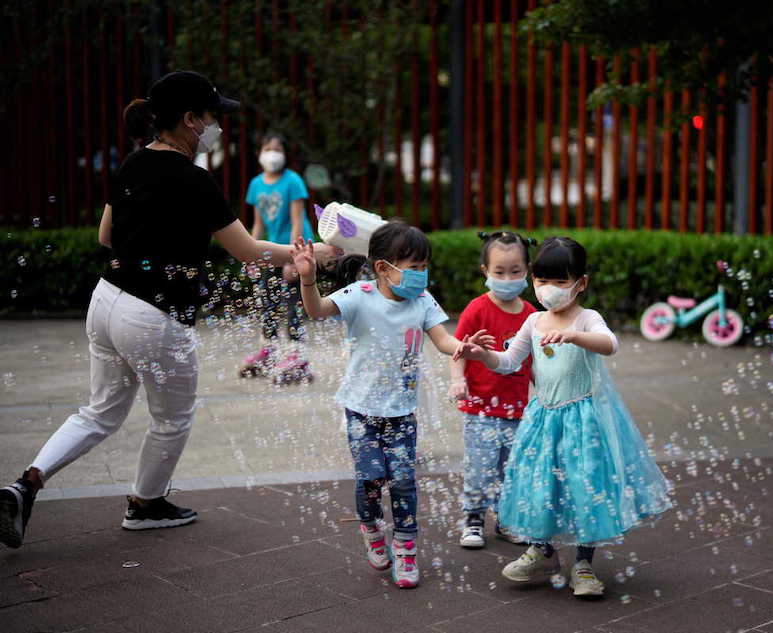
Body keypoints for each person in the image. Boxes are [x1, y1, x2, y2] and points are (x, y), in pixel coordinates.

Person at [0, 70, 338, 549]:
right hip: (153, 317)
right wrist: (314, 256)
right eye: (211, 117)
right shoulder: (195, 179)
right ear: (189, 121)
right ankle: (145, 504)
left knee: (98, 411)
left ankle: (24, 485)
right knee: (172, 418)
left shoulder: (132, 164)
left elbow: (104, 236)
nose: (217, 126)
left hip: (105, 302)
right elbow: (245, 250)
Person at [456, 237, 673, 598]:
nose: (549, 290)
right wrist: (483, 356)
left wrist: (575, 336)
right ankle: (542, 550)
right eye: (541, 281)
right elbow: (510, 363)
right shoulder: (534, 320)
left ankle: (584, 564)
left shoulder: (588, 319)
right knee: (540, 482)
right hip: (544, 416)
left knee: (584, 486)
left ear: (580, 283)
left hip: (584, 419)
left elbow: (610, 343)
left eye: (559, 282)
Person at [290, 221, 491, 589]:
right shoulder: (360, 295)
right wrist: (307, 278)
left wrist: (463, 347)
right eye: (414, 267)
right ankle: (370, 527)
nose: (421, 274)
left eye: (424, 266)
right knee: (370, 479)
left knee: (402, 482)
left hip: (401, 410)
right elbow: (317, 310)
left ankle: (406, 547)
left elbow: (444, 341)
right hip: (361, 408)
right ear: (384, 268)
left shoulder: (423, 301)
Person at [450, 231, 536, 549]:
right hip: (480, 407)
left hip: (517, 408)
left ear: (527, 271)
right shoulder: (477, 310)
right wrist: (457, 380)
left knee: (511, 470)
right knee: (480, 467)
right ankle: (473, 519)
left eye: (515, 271)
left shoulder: (531, 315)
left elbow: (536, 363)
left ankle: (505, 518)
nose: (507, 278)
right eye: (499, 272)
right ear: (485, 271)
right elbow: (457, 351)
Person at [239, 132, 315, 383]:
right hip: (270, 249)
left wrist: (294, 259)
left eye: (278, 149)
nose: (273, 153)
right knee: (267, 300)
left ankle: (297, 355)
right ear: (260, 153)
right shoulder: (256, 184)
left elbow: (296, 221)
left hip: (296, 247)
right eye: (268, 148)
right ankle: (268, 351)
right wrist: (250, 255)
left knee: (294, 302)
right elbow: (258, 225)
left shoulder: (292, 181)